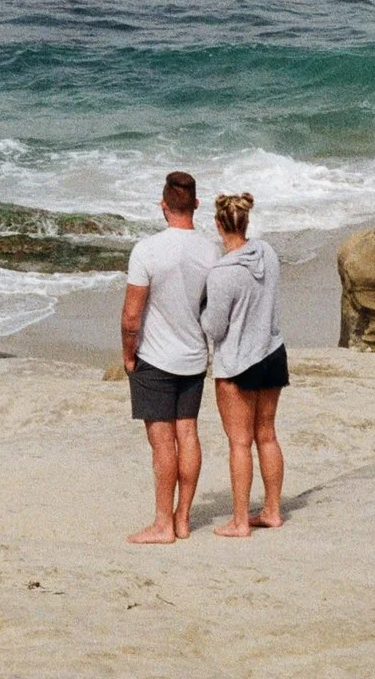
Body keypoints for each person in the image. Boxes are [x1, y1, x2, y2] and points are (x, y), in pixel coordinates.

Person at [120, 170, 220, 544]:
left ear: (163, 205)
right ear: (195, 204)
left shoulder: (146, 250)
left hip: (155, 358)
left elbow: (132, 316)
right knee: (189, 434)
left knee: (163, 444)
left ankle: (163, 524)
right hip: (194, 356)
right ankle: (183, 519)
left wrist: (128, 356)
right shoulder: (211, 251)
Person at [201, 191, 288, 537]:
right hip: (272, 351)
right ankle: (272, 510)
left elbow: (215, 327)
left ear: (219, 225)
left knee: (239, 442)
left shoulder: (222, 273)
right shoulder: (267, 252)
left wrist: (202, 309)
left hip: (238, 362)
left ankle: (240, 521)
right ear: (245, 221)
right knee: (266, 435)